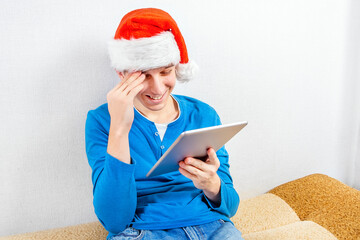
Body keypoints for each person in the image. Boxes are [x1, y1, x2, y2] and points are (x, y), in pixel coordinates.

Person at [85, 8, 243, 240]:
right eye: (144, 75)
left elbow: (229, 208)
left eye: (165, 72)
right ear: (122, 73)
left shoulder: (204, 115)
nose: (158, 89)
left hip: (212, 226)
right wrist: (120, 127)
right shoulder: (101, 120)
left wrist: (213, 184)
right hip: (140, 231)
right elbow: (114, 220)